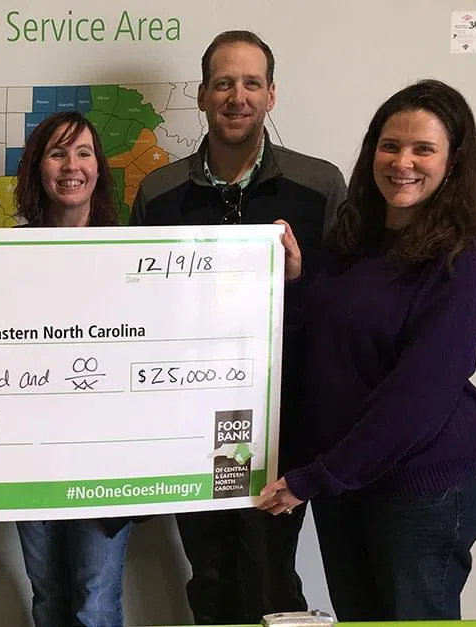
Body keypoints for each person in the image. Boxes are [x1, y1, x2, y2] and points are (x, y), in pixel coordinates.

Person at [257, 79, 476, 621]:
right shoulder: (357, 233)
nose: (402, 162)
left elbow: (416, 398)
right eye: (390, 146)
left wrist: (316, 477)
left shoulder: (460, 258)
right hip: (347, 483)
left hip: (416, 492)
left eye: (423, 149)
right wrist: (295, 281)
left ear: (453, 161)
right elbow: (330, 337)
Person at [130, 30, 347, 624]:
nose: (237, 96)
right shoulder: (159, 192)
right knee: (211, 574)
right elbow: (140, 311)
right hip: (190, 423)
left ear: (272, 95)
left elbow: (346, 307)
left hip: (284, 426)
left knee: (271, 573)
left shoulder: (320, 185)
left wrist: (299, 280)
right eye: (223, 83)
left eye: (252, 83)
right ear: (202, 95)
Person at [11, 111, 126, 626]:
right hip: (30, 454)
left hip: (107, 460)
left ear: (99, 168)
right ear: (38, 167)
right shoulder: (6, 256)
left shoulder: (133, 253)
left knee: (95, 601)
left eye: (83, 153)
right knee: (48, 596)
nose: (71, 166)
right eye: (57, 153)